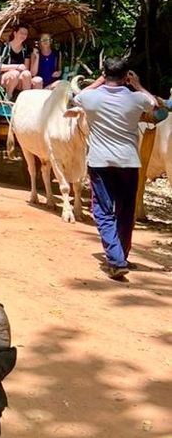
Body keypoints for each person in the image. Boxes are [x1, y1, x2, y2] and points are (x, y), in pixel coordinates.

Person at [73, 57, 157, 280]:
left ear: (104, 73)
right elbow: (155, 105)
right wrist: (138, 85)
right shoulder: (136, 99)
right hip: (129, 163)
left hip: (100, 162)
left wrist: (98, 81)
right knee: (125, 212)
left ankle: (116, 259)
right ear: (126, 76)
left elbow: (76, 97)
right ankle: (122, 255)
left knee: (102, 210)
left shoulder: (91, 97)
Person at [0, 23, 33, 99]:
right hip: (4, 78)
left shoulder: (25, 49)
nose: (23, 35)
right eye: (21, 33)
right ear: (15, 33)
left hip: (19, 78)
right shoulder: (5, 47)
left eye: (25, 34)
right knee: (14, 73)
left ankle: (26, 100)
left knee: (27, 74)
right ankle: (8, 97)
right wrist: (17, 66)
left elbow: (25, 68)